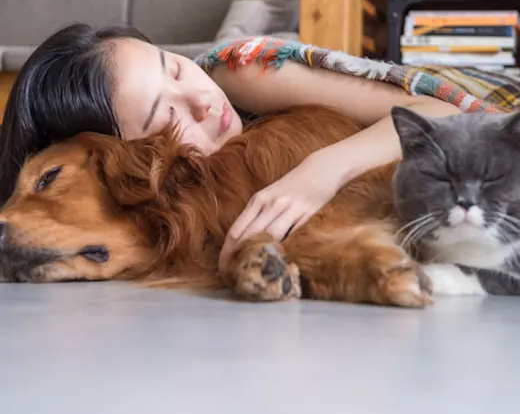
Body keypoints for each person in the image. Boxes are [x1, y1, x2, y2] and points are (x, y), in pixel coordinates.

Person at [0, 23, 461, 266]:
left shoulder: (237, 73)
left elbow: (453, 113)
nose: (201, 100)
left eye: (174, 68)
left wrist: (324, 169)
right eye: (166, 115)